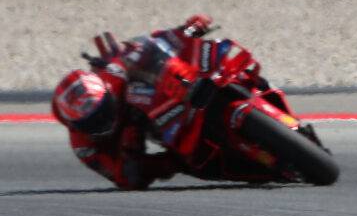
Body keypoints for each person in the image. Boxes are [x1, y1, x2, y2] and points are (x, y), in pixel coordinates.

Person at [52, 14, 281, 190]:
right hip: (152, 135)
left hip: (170, 97)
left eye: (103, 110)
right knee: (185, 165)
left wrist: (187, 30)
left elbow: (147, 49)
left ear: (106, 92)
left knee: (227, 69)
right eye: (93, 121)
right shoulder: (83, 146)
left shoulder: (112, 75)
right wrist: (135, 148)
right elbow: (122, 177)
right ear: (75, 125)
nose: (103, 120)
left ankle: (238, 86)